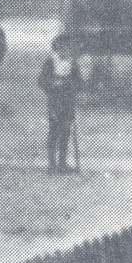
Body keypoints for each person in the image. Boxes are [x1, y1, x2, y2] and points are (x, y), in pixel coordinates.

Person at [39, 45, 80, 173]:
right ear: (57, 50)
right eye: (62, 49)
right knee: (53, 131)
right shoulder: (50, 62)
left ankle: (62, 163)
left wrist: (71, 86)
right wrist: (52, 85)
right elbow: (41, 80)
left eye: (68, 49)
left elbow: (79, 81)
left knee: (66, 131)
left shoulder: (72, 64)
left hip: (68, 101)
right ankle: (51, 164)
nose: (65, 51)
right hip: (55, 101)